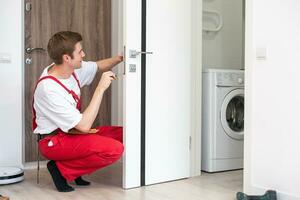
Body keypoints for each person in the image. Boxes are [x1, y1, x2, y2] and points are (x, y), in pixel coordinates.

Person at [32, 31, 124, 192]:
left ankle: (70, 167)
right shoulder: (48, 89)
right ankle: (61, 169)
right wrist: (101, 88)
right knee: (114, 149)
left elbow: (97, 66)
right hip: (54, 141)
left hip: (72, 133)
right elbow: (84, 125)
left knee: (125, 134)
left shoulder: (68, 69)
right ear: (67, 58)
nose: (84, 54)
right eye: (80, 51)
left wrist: (121, 58)